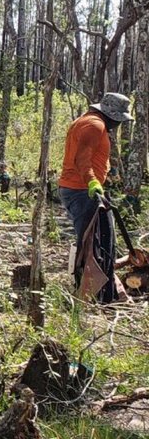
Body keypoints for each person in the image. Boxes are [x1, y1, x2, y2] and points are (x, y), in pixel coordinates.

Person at [58, 91, 133, 303]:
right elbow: (82, 158)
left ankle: (100, 291)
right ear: (112, 115)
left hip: (83, 189)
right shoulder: (94, 125)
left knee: (100, 241)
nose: (118, 125)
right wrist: (92, 182)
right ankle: (94, 295)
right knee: (95, 244)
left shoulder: (89, 122)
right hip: (82, 191)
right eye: (118, 120)